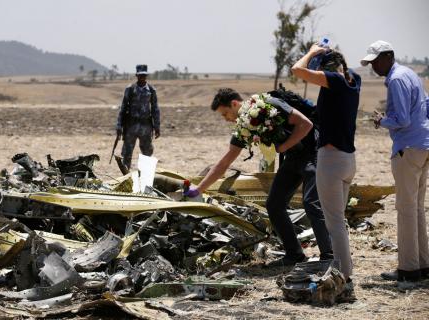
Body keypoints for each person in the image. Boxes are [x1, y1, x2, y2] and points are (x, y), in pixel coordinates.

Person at [185, 87, 333, 268]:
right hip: (293, 158)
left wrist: (283, 147)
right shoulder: (244, 127)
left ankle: (329, 255)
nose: (226, 119)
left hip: (313, 153)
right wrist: (199, 189)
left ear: (234, 104)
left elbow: (306, 125)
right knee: (274, 204)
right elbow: (224, 163)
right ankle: (294, 254)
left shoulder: (268, 104)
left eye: (225, 114)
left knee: (311, 203)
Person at [291, 44, 361, 291]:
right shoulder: (354, 81)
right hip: (348, 159)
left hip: (331, 160)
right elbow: (342, 70)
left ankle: (343, 274)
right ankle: (344, 269)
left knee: (334, 222)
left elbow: (296, 70)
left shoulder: (336, 81)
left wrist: (310, 52)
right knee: (338, 221)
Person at [360, 40, 429, 285]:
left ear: (389, 56)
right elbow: (426, 105)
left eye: (376, 61)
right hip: (422, 145)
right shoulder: (410, 73)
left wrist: (382, 121)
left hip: (407, 148)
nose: (373, 67)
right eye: (370, 63)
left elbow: (401, 119)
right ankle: (422, 265)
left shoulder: (397, 79)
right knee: (417, 207)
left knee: (406, 209)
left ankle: (408, 271)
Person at [116, 64, 161, 169]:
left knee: (147, 155)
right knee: (127, 154)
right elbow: (122, 108)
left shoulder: (151, 90)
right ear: (136, 75)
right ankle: (125, 177)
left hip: (146, 127)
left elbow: (155, 109)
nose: (142, 77)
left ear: (147, 76)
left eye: (144, 75)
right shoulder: (130, 89)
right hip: (131, 126)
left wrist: (157, 126)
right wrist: (119, 126)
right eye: (140, 75)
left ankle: (145, 177)